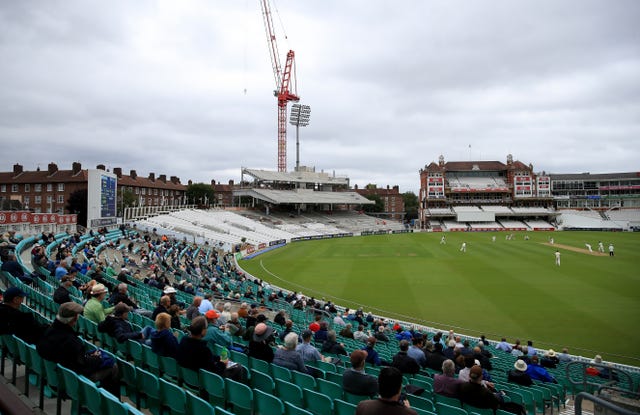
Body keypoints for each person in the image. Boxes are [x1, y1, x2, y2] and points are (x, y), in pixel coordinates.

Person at [37, 302, 120, 396]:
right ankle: (109, 400)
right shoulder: (71, 341)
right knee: (113, 367)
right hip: (73, 380)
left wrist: (87, 356)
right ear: (74, 319)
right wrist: (97, 359)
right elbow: (82, 366)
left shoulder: (47, 331)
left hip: (57, 375)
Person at [176, 316, 244, 381]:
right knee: (238, 368)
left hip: (188, 377)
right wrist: (223, 363)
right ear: (202, 331)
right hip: (202, 381)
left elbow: (206, 358)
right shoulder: (203, 349)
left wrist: (218, 358)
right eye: (206, 328)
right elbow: (216, 371)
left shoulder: (184, 340)